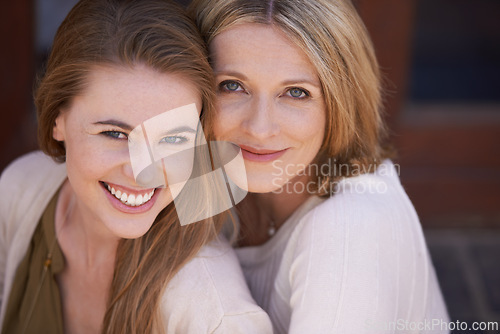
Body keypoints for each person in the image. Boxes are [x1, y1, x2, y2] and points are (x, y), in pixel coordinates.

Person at [0, 0, 272, 333]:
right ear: (58, 120)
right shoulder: (21, 188)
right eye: (114, 133)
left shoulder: (214, 314)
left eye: (172, 139)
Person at [190, 0, 450, 333]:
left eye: (295, 92)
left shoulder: (350, 228)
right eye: (231, 86)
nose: (259, 127)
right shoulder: (208, 174)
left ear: (340, 104)